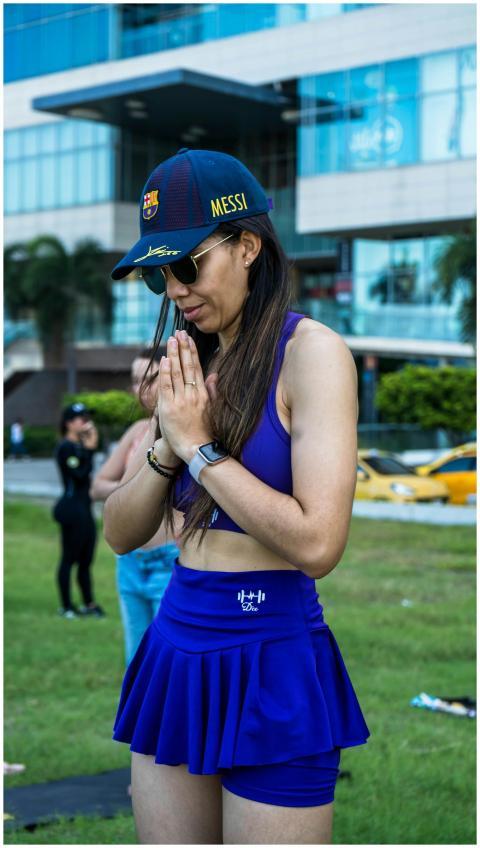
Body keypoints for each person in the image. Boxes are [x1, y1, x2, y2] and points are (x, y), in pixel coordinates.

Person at [104, 148, 370, 844]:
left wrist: (200, 448)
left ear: (247, 245)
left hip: (273, 649)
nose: (174, 290)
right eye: (159, 274)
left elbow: (318, 543)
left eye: (187, 265)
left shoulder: (312, 353)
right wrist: (166, 443)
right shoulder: (190, 361)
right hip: (177, 640)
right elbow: (120, 533)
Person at [91, 350, 181, 664]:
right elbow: (98, 486)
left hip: (169, 560)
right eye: (134, 381)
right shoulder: (136, 433)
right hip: (129, 561)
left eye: (150, 378)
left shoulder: (186, 433)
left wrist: (131, 494)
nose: (140, 388)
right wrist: (136, 495)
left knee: (167, 662)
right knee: (136, 661)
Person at [53, 402, 105, 620]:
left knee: (86, 560)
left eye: (87, 417)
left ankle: (88, 603)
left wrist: (88, 448)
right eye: (80, 418)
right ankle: (66, 606)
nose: (86, 421)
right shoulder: (66, 447)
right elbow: (80, 475)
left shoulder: (80, 447)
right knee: (68, 559)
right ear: (68, 423)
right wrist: (90, 450)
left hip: (85, 509)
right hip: (72, 509)